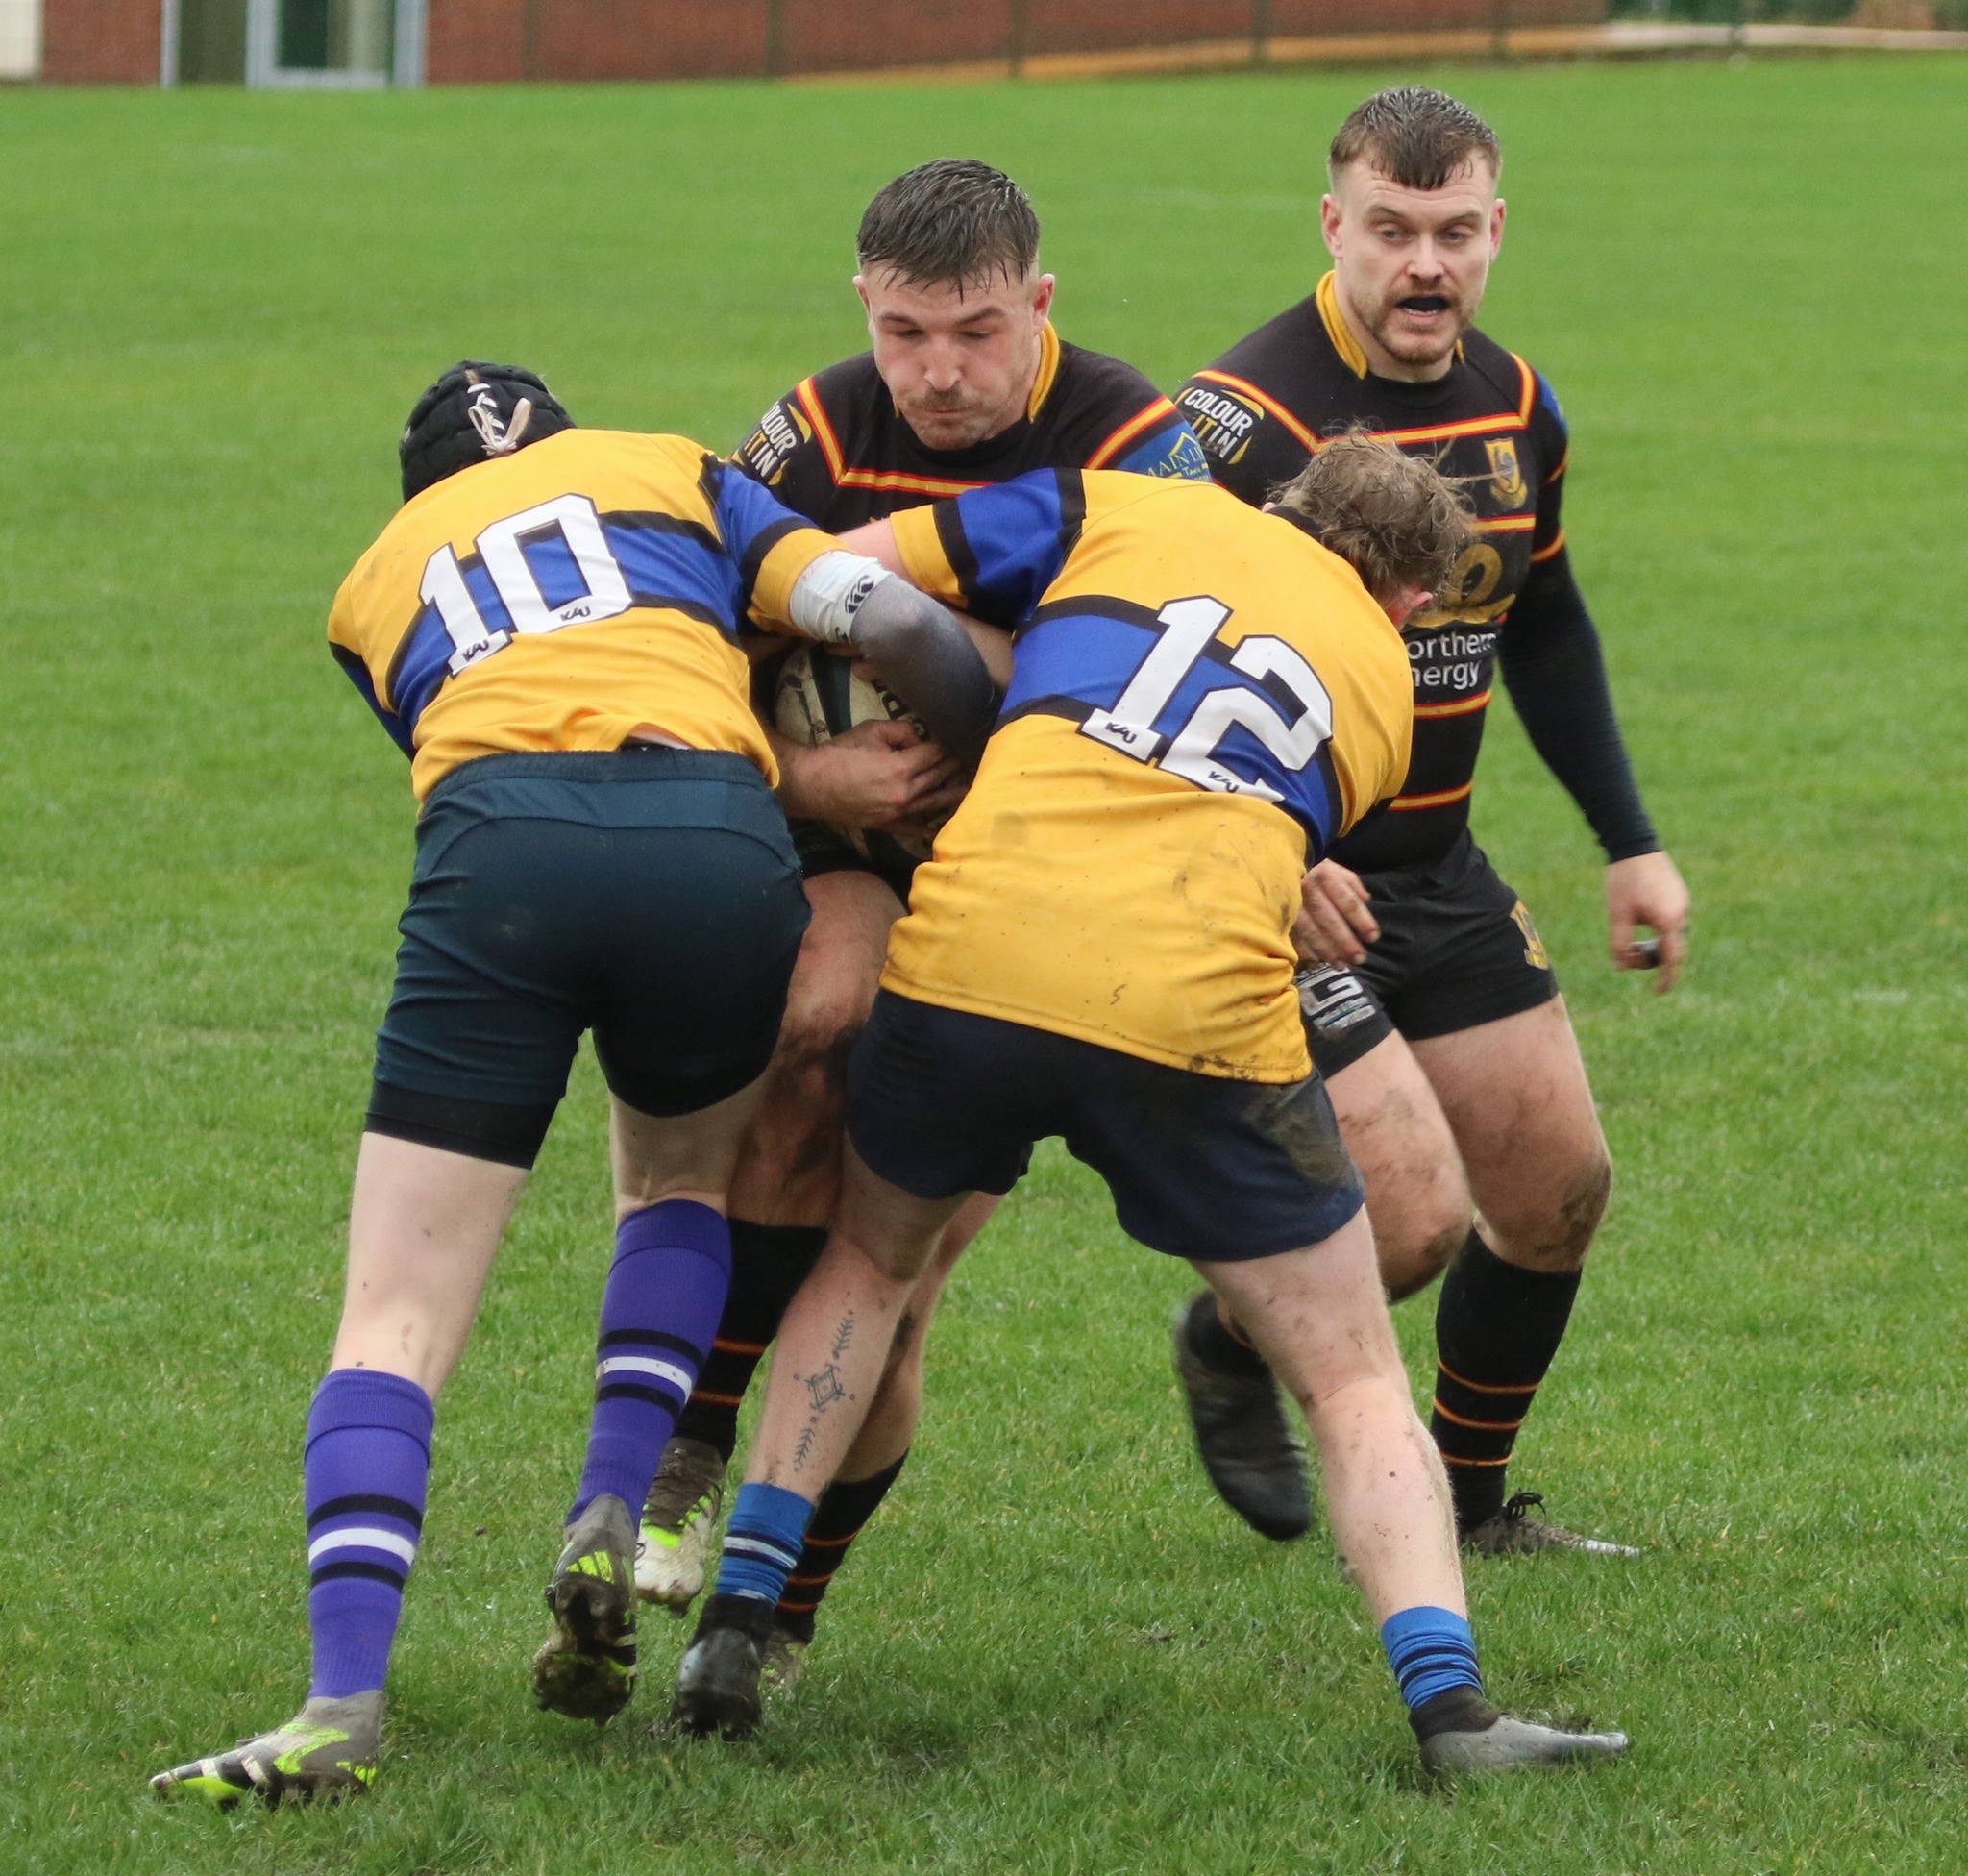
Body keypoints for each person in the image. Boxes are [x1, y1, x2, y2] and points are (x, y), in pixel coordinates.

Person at [667, 438, 1630, 1777]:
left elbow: (856, 577)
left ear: (1280, 504)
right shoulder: (1387, 689)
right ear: (1411, 600)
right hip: (1191, 1002)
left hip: (975, 954)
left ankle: (735, 1621)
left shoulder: (1116, 503)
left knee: (874, 1265)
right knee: (1350, 1374)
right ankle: (1451, 1711)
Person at [148, 364, 993, 1806]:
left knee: (396, 1313)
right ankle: (612, 1499)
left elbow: (452, 733)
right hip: (715, 839)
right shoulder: (669, 467)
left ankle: (341, 1706)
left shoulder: (372, 581)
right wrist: (978, 778)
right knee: (673, 1184)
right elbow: (898, 622)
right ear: (565, 439)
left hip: (505, 847)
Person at [634, 159, 1210, 1676]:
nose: (937, 373)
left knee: (896, 1276)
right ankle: (691, 1453)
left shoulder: (1141, 447)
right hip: (848, 848)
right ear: (862, 309)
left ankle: (775, 1618)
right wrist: (814, 778)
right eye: (903, 334)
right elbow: (680, 646)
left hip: (1038, 879)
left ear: (1041, 303)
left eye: (973, 331)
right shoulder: (816, 431)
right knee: (811, 1028)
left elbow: (1196, 682)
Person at [1168, 86, 1691, 1554]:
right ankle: (1224, 1340)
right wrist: (1273, 862)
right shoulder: (1235, 424)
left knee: (1557, 1191)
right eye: (1391, 230)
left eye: (1454, 233)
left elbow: (1548, 624)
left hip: (1437, 868)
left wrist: (1630, 840)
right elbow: (1151, 667)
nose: (1424, 265)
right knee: (1407, 1229)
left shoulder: (1518, 405)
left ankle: (1467, 1506)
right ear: (1332, 225)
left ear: (1496, 230)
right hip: (1285, 886)